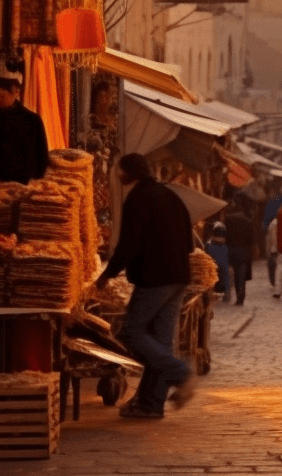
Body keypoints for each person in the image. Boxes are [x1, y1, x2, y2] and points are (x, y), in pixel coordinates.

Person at [95, 154, 196, 419]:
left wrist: (108, 274)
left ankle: (181, 374)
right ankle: (151, 404)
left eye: (119, 171)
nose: (118, 176)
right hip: (179, 276)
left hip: (156, 278)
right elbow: (189, 242)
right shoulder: (170, 195)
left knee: (130, 332)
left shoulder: (138, 198)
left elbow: (130, 243)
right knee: (160, 342)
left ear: (128, 173)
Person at [0, 76, 48, 184]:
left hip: (25, 180)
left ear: (13, 94)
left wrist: (37, 177)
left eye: (1, 96)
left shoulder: (32, 119)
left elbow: (42, 152)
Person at [223, 207, 255, 306]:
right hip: (243, 252)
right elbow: (251, 239)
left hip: (230, 250)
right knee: (240, 276)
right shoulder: (248, 222)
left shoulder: (227, 221)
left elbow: (224, 236)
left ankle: (226, 296)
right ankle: (240, 297)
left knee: (227, 273)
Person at [205, 223, 230, 297]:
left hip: (213, 264)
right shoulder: (225, 247)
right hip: (222, 264)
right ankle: (225, 294)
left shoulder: (209, 245)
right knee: (224, 276)